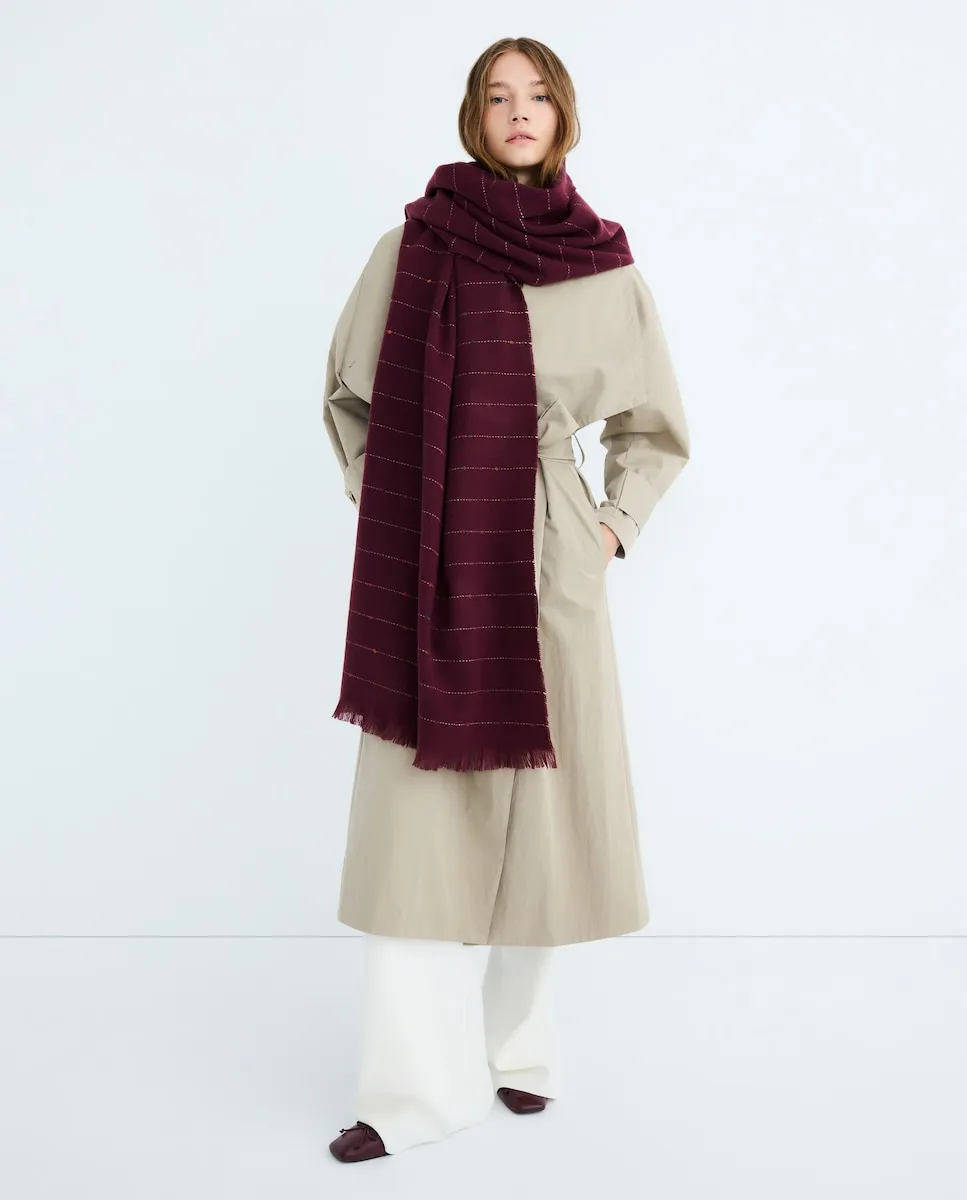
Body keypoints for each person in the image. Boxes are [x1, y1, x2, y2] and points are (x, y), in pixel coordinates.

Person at [321, 36, 690, 1163]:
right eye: (497, 96)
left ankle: (516, 1054)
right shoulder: (413, 248)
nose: (518, 111)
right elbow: (348, 398)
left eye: (537, 95)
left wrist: (608, 528)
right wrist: (399, 503)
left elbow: (652, 429)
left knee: (544, 817)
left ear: (562, 115)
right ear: (473, 118)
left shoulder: (604, 267)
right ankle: (410, 1094)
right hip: (429, 551)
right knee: (418, 830)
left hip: (550, 558)